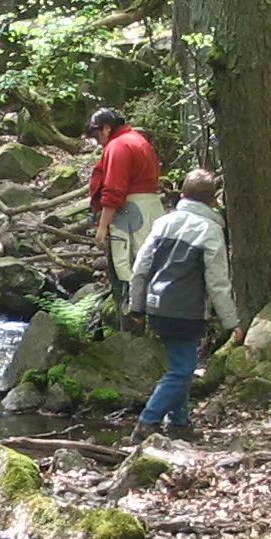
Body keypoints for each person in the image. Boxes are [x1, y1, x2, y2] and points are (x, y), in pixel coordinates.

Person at [125, 168, 244, 440]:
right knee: (182, 370)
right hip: (185, 311)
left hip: (157, 306)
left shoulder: (164, 222)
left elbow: (141, 267)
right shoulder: (211, 230)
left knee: (180, 366)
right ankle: (148, 421)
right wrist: (231, 322)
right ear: (213, 201)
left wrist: (136, 306)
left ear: (182, 195)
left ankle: (179, 423)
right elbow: (218, 283)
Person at [86, 106, 164, 289]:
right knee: (150, 258)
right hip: (150, 206)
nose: (98, 143)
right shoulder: (137, 140)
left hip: (131, 209)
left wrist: (102, 227)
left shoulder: (118, 145)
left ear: (106, 128)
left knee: (129, 265)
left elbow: (114, 190)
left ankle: (135, 308)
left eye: (96, 136)